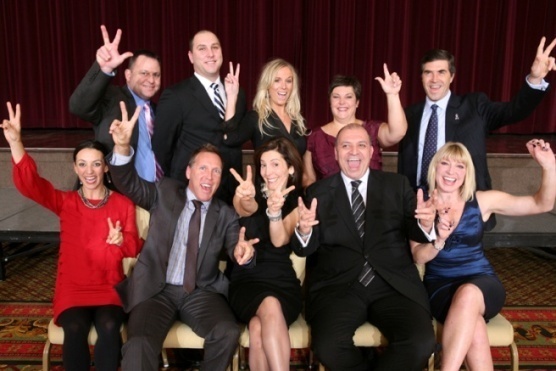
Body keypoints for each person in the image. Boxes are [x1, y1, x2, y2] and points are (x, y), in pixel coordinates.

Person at [107, 102, 258, 371]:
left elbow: (238, 242)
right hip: (156, 290)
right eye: (202, 169)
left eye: (215, 171)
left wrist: (243, 251)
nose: (209, 177)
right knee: (139, 343)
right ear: (189, 172)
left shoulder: (225, 213)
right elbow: (127, 182)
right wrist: (121, 147)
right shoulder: (164, 193)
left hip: (200, 292)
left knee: (227, 332)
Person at [1, 102, 142, 371]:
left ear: (107, 168)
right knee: (75, 327)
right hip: (73, 289)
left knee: (110, 325)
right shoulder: (66, 202)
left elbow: (136, 246)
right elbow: (31, 185)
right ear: (76, 169)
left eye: (97, 164)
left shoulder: (123, 204)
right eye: (83, 164)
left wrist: (121, 241)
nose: (90, 171)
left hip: (109, 288)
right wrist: (17, 143)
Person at [293, 123, 435, 370]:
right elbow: (305, 249)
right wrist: (304, 231)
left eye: (361, 145)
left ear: (371, 151)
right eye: (345, 146)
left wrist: (426, 225)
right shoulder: (318, 192)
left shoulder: (397, 185)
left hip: (393, 285)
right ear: (335, 153)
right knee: (328, 345)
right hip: (339, 288)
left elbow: (416, 232)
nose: (353, 152)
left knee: (420, 343)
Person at [410, 140, 555, 370]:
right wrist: (439, 240)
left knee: (468, 294)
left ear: (467, 172)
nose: (451, 172)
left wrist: (549, 167)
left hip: (483, 282)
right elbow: (418, 257)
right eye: (445, 164)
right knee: (474, 324)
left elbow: (541, 204)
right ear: (435, 167)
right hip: (440, 288)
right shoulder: (421, 204)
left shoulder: (482, 201)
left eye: (460, 166)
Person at [398, 36, 556, 195]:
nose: (434, 79)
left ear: (451, 76)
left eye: (441, 72)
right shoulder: (409, 114)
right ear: (421, 77)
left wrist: (535, 79)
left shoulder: (474, 106)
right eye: (428, 73)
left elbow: (513, 111)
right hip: (418, 205)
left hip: (467, 206)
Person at [228, 137, 304, 370]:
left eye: (275, 164)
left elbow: (279, 239)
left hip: (282, 282)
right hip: (246, 281)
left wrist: (274, 212)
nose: (267, 171)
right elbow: (245, 207)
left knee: (257, 327)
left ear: (290, 167)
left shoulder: (300, 201)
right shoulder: (248, 191)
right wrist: (246, 197)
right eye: (263, 164)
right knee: (269, 304)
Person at [152, 30, 246, 204]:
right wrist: (181, 182)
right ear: (191, 56)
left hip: (231, 196)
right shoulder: (176, 95)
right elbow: (161, 148)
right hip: (190, 195)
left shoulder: (237, 93)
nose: (210, 54)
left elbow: (234, 140)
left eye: (215, 47)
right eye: (202, 49)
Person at [69, 25, 162, 182]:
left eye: (156, 75)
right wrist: (104, 69)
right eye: (144, 73)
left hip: (156, 195)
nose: (151, 80)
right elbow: (78, 106)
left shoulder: (159, 111)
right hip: (117, 195)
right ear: (128, 74)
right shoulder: (112, 97)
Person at [303, 66, 407, 187]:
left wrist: (392, 95)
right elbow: (308, 178)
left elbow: (398, 132)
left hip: (373, 203)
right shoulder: (314, 137)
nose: (342, 102)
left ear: (357, 102)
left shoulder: (372, 129)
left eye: (348, 97)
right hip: (330, 204)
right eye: (336, 97)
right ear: (330, 101)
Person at [223, 58, 308, 156]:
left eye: (288, 81)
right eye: (277, 80)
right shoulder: (256, 118)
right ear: (267, 85)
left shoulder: (297, 120)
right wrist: (231, 96)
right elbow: (230, 139)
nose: (284, 86)